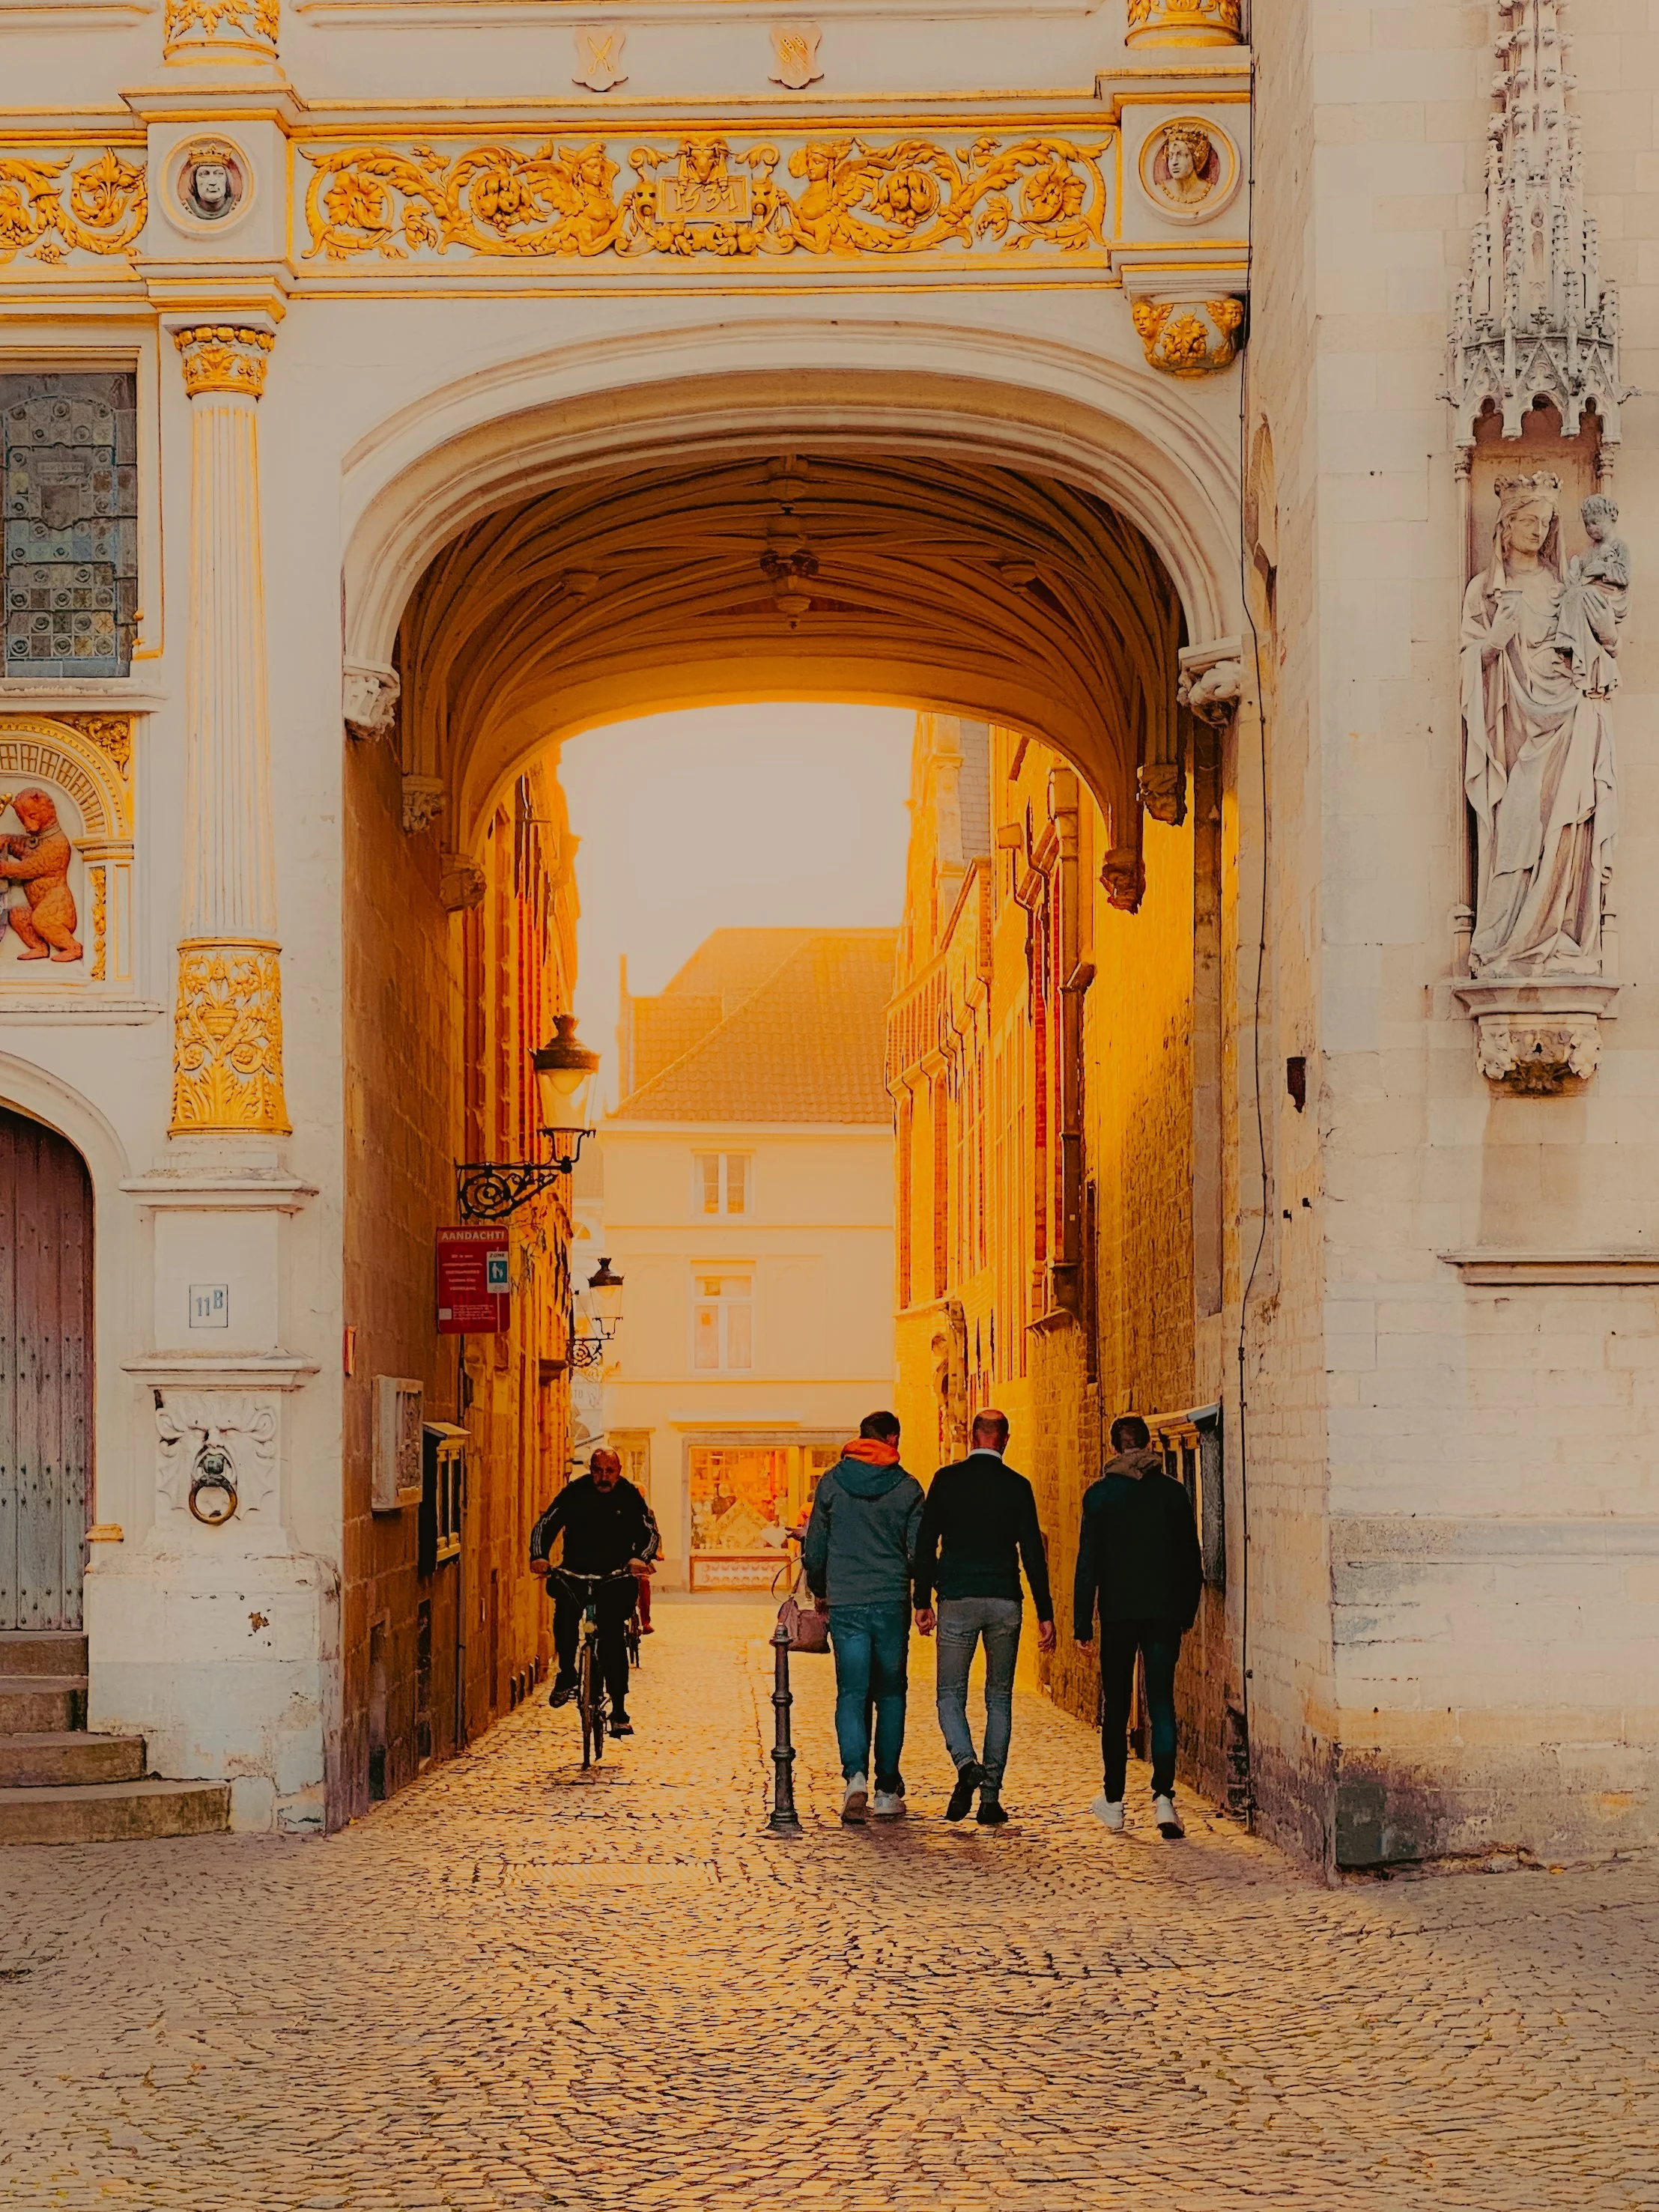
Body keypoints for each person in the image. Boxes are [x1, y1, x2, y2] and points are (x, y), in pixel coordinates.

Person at [913, 1409, 1056, 1826]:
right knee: (999, 1698)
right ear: (1005, 1440)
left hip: (956, 1598)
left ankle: (965, 1764)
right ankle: (990, 1798)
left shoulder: (947, 1481)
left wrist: (922, 1599)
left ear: (971, 1437)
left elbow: (926, 1544)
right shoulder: (1017, 1487)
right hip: (1004, 1600)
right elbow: (1033, 1552)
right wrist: (1045, 1613)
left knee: (950, 1695)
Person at [1073, 1413, 1201, 1840]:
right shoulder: (1173, 1494)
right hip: (1164, 1612)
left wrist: (1081, 1624)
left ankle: (1113, 1801)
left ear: (1115, 1448)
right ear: (1149, 1446)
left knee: (1116, 1707)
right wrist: (1187, 1611)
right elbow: (1190, 1558)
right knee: (1161, 1701)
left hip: (1119, 1613)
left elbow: (1087, 1562)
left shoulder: (1101, 1496)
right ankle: (1164, 1799)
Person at [801, 1410, 924, 1824]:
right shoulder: (908, 1489)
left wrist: (821, 1591)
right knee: (890, 1693)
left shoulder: (833, 1483)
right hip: (890, 1602)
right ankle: (888, 1789)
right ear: (891, 1438)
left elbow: (815, 1548)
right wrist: (917, 1588)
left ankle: (855, 1776)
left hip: (847, 1602)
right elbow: (917, 1551)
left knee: (851, 1692)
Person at [530, 1447, 658, 1737]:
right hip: (575, 1572)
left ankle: (619, 1710)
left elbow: (650, 1532)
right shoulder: (575, 1493)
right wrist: (539, 1555)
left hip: (614, 1577)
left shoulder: (629, 1496)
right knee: (564, 1616)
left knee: (611, 1635)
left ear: (619, 1470)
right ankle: (567, 1676)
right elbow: (546, 1523)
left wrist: (641, 1558)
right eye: (598, 1470)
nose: (603, 1477)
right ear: (590, 1470)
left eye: (609, 1471)